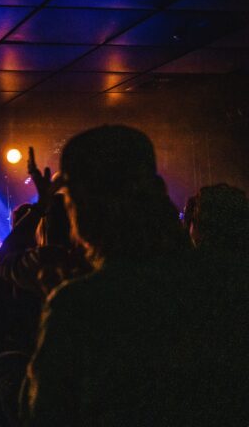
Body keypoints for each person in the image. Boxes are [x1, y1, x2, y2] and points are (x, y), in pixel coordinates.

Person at [22, 125, 249, 426]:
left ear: (84, 205)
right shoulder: (229, 281)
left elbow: (42, 413)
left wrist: (54, 301)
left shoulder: (80, 304)